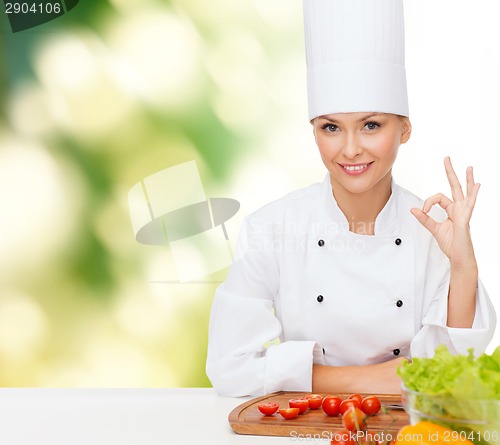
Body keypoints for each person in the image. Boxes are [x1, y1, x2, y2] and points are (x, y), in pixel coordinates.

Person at [205, 0, 496, 397]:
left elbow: (453, 369)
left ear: (405, 128)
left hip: (402, 431)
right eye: (331, 128)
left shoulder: (434, 232)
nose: (351, 149)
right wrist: (369, 380)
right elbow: (229, 367)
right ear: (313, 131)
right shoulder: (272, 228)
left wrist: (463, 265)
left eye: (371, 125)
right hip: (305, 428)